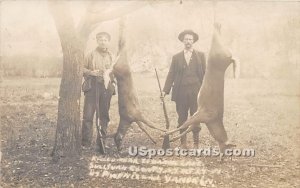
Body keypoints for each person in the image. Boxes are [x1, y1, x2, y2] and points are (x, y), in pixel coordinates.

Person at [161, 30, 206, 149]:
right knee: (182, 117)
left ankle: (196, 143)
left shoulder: (201, 55)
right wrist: (165, 90)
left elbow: (205, 75)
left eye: (190, 39)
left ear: (193, 41)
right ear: (182, 41)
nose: (188, 41)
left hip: (196, 92)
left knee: (196, 117)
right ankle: (183, 143)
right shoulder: (176, 57)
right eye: (186, 39)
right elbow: (171, 74)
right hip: (180, 92)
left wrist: (207, 91)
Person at [81, 32, 115, 150]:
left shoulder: (112, 56)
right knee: (88, 115)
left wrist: (112, 80)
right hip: (92, 87)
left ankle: (101, 142)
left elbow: (115, 71)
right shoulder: (90, 55)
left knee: (104, 116)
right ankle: (85, 143)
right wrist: (91, 72)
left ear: (108, 42)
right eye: (100, 39)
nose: (103, 41)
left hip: (106, 88)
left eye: (105, 40)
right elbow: (81, 68)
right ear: (97, 41)